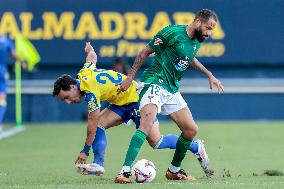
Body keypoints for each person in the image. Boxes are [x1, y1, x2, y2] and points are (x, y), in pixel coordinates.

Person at [52, 42, 211, 176]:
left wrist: (85, 150)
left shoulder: (91, 92)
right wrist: (90, 50)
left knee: (156, 141)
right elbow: (92, 58)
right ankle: (98, 164)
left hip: (137, 99)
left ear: (72, 86)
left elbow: (91, 125)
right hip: (120, 102)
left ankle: (195, 146)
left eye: (66, 97)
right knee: (100, 124)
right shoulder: (83, 73)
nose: (68, 102)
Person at [115, 9, 224, 183]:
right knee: (146, 124)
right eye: (208, 27)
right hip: (154, 83)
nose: (209, 33)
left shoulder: (196, 41)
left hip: (171, 90)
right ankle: (124, 172)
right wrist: (130, 78)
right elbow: (144, 51)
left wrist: (209, 74)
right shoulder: (171, 32)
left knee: (191, 130)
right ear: (197, 21)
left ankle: (174, 171)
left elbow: (190, 58)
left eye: (211, 30)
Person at [0, 35, 26, 131]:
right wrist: (22, 62)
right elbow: (13, 54)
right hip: (1, 72)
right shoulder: (4, 40)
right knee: (2, 98)